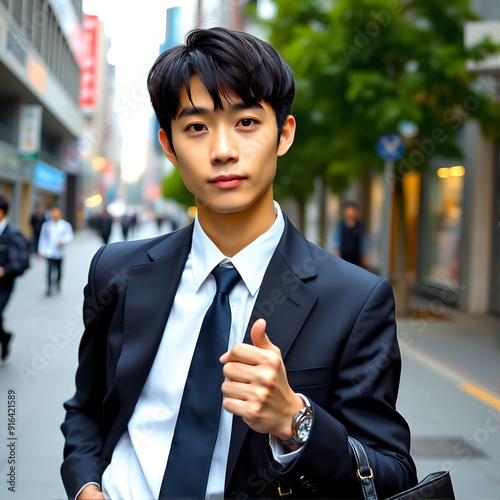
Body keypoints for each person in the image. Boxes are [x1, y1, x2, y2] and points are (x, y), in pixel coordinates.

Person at [61, 27, 417, 499]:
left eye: (246, 122)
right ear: (169, 147)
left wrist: (295, 419)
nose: (223, 149)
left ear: (283, 135)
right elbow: (87, 410)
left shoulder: (354, 300)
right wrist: (87, 485)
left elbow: (391, 474)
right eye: (196, 127)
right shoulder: (116, 271)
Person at [0, 196, 30, 361]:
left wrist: (5, 270)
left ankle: (4, 338)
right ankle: (4, 337)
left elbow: (22, 261)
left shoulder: (13, 235)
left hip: (3, 285)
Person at [38, 206, 74, 296]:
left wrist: (63, 240)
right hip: (49, 252)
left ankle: (58, 283)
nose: (54, 215)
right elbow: (43, 239)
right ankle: (49, 287)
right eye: (53, 213)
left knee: (59, 270)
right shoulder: (46, 225)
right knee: (49, 269)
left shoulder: (65, 225)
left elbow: (70, 236)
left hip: (59, 252)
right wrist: (41, 250)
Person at [331, 200, 370, 268]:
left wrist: (365, 254)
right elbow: (336, 238)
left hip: (356, 258)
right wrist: (336, 250)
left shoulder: (360, 226)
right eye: (349, 210)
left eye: (352, 210)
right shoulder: (341, 225)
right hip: (343, 257)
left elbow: (364, 241)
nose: (351, 213)